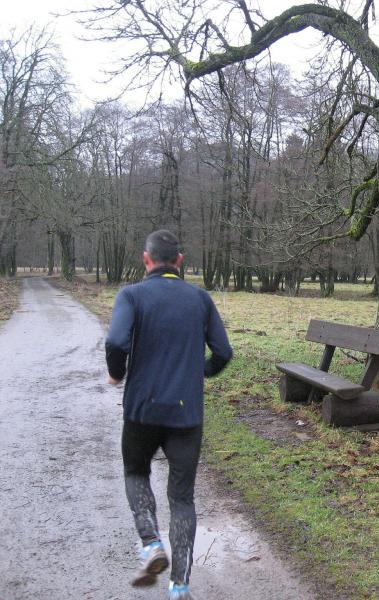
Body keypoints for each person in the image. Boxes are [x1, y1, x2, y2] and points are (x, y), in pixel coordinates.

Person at [105, 230, 233, 600]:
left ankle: (150, 544)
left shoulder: (131, 295)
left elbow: (115, 341)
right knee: (182, 499)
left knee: (136, 472)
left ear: (146, 259)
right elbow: (223, 352)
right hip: (185, 413)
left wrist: (116, 373)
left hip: (142, 410)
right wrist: (199, 372)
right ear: (179, 261)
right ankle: (179, 586)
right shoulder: (200, 299)